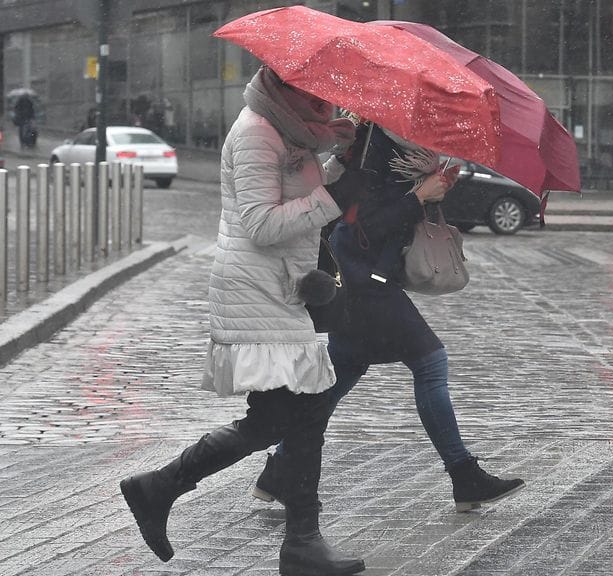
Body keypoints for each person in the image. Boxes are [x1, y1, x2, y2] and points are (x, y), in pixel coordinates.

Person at [119, 66, 366, 576]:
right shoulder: (257, 132)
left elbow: (292, 191)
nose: (325, 102)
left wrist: (337, 160)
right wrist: (333, 198)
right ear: (286, 88)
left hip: (281, 288)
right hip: (256, 291)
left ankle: (299, 539)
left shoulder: (289, 131)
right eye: (315, 93)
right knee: (285, 416)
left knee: (304, 411)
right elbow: (261, 223)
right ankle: (163, 488)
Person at [251, 124, 526, 515]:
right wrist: (419, 196)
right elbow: (364, 224)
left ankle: (279, 471)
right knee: (431, 363)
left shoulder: (396, 147)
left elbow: (387, 215)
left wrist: (432, 190)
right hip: (365, 282)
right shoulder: (374, 147)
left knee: (339, 376)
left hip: (365, 277)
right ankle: (464, 475)